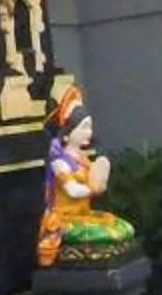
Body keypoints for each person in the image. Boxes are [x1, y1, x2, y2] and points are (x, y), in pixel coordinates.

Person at [37, 80, 134, 265]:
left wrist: (101, 171)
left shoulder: (82, 159)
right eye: (84, 127)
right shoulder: (59, 162)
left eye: (89, 126)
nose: (89, 132)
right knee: (105, 234)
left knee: (123, 228)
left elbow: (96, 175)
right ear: (67, 133)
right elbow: (72, 190)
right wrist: (93, 188)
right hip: (64, 221)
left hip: (83, 215)